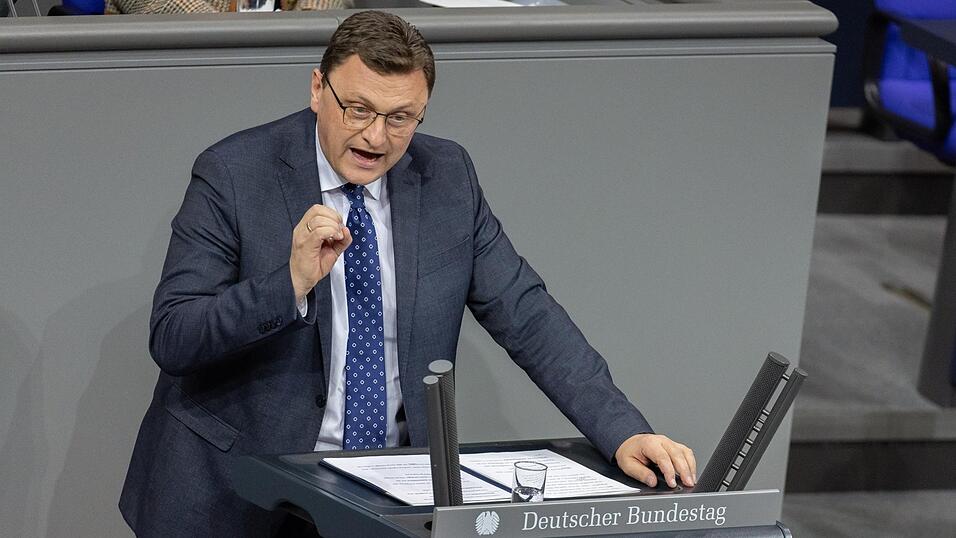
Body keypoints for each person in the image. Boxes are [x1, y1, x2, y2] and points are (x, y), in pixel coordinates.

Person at [120, 10, 696, 537]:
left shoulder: (447, 175)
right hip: (238, 494)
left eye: (401, 118)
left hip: (384, 495)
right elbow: (174, 336)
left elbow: (527, 314)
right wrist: (289, 282)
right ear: (318, 89)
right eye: (360, 109)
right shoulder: (234, 173)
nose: (376, 137)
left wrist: (622, 430)